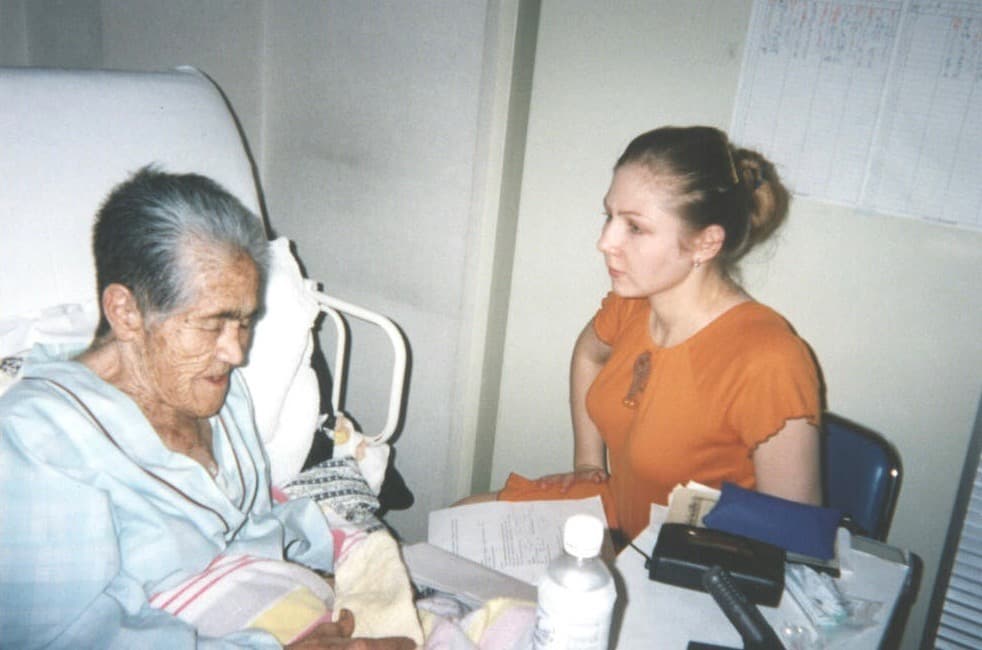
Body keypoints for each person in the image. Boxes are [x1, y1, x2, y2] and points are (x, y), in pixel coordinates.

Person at [0, 167, 414, 649]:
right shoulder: (39, 438)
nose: (237, 352)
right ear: (126, 312)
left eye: (244, 321)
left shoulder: (219, 392)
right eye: (213, 323)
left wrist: (353, 553)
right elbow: (58, 640)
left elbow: (257, 524)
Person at [463, 126, 822, 544]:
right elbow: (588, 355)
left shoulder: (768, 358)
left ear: (705, 243)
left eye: (634, 227)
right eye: (609, 216)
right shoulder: (634, 303)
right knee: (461, 521)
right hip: (617, 522)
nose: (604, 242)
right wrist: (587, 464)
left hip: (690, 558)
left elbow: (794, 539)